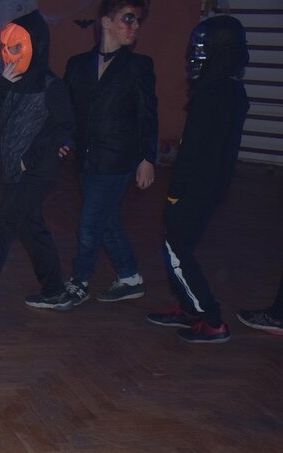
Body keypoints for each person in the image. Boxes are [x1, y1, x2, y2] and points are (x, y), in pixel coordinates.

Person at [0, 9, 76, 317]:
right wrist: (1, 85)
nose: (8, 54)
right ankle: (55, 290)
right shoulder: (11, 81)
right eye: (5, 47)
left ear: (36, 45)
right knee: (31, 226)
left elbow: (64, 127)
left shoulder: (52, 86)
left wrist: (30, 159)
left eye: (16, 47)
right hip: (13, 170)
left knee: (2, 227)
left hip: (36, 172)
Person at [147, 15, 250, 343]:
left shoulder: (214, 93)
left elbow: (196, 151)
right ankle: (189, 307)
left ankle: (211, 319)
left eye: (203, 50)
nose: (195, 56)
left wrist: (176, 191)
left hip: (196, 187)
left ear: (220, 51)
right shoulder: (230, 89)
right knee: (179, 246)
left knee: (176, 250)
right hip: (210, 184)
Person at [62, 0, 157, 306]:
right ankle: (130, 278)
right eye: (128, 19)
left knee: (90, 223)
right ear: (106, 22)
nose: (135, 26)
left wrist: (147, 158)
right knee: (107, 219)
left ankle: (79, 282)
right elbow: (66, 109)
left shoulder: (139, 66)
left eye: (137, 21)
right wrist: (62, 137)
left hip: (118, 159)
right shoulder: (78, 64)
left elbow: (147, 116)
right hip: (87, 158)